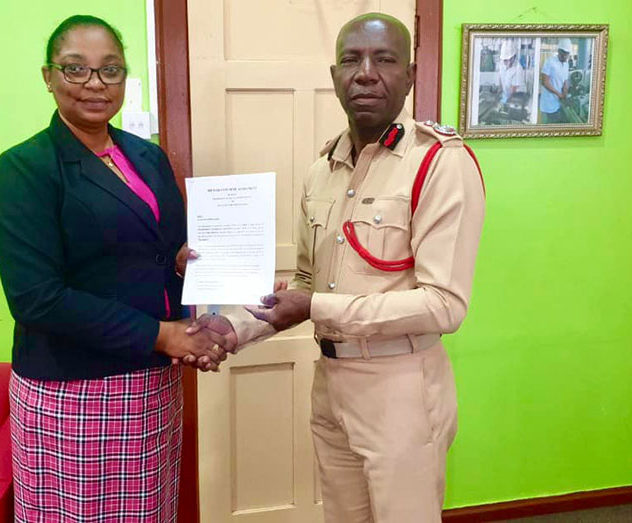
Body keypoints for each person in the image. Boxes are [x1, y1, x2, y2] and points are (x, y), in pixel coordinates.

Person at [189, 12, 485, 522]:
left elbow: (444, 305)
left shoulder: (439, 163)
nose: (365, 72)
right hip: (331, 383)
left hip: (401, 387)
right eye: (351, 60)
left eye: (384, 59)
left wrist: (317, 305)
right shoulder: (321, 168)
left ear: (410, 75)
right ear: (334, 77)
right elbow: (305, 283)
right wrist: (232, 329)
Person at [0, 15, 226, 522]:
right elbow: (36, 297)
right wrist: (164, 335)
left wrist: (194, 269)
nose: (95, 83)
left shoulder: (147, 156)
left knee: (150, 511)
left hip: (153, 383)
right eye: (77, 69)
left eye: (110, 70)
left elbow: (163, 251)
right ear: (48, 76)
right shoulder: (25, 168)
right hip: (74, 388)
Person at [540, 38, 572, 123]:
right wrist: (558, 94)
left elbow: (565, 81)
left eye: (567, 54)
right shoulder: (550, 62)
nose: (565, 56)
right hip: (549, 101)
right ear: (559, 51)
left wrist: (565, 93)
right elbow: (544, 82)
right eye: (563, 54)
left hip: (559, 101)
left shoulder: (566, 64)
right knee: (547, 126)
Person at [498, 40, 525, 104]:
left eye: (510, 59)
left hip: (518, 96)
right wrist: (500, 92)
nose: (508, 62)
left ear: (514, 56)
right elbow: (500, 77)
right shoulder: (501, 64)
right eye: (505, 60)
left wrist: (506, 100)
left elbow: (514, 89)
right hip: (507, 94)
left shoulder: (518, 68)